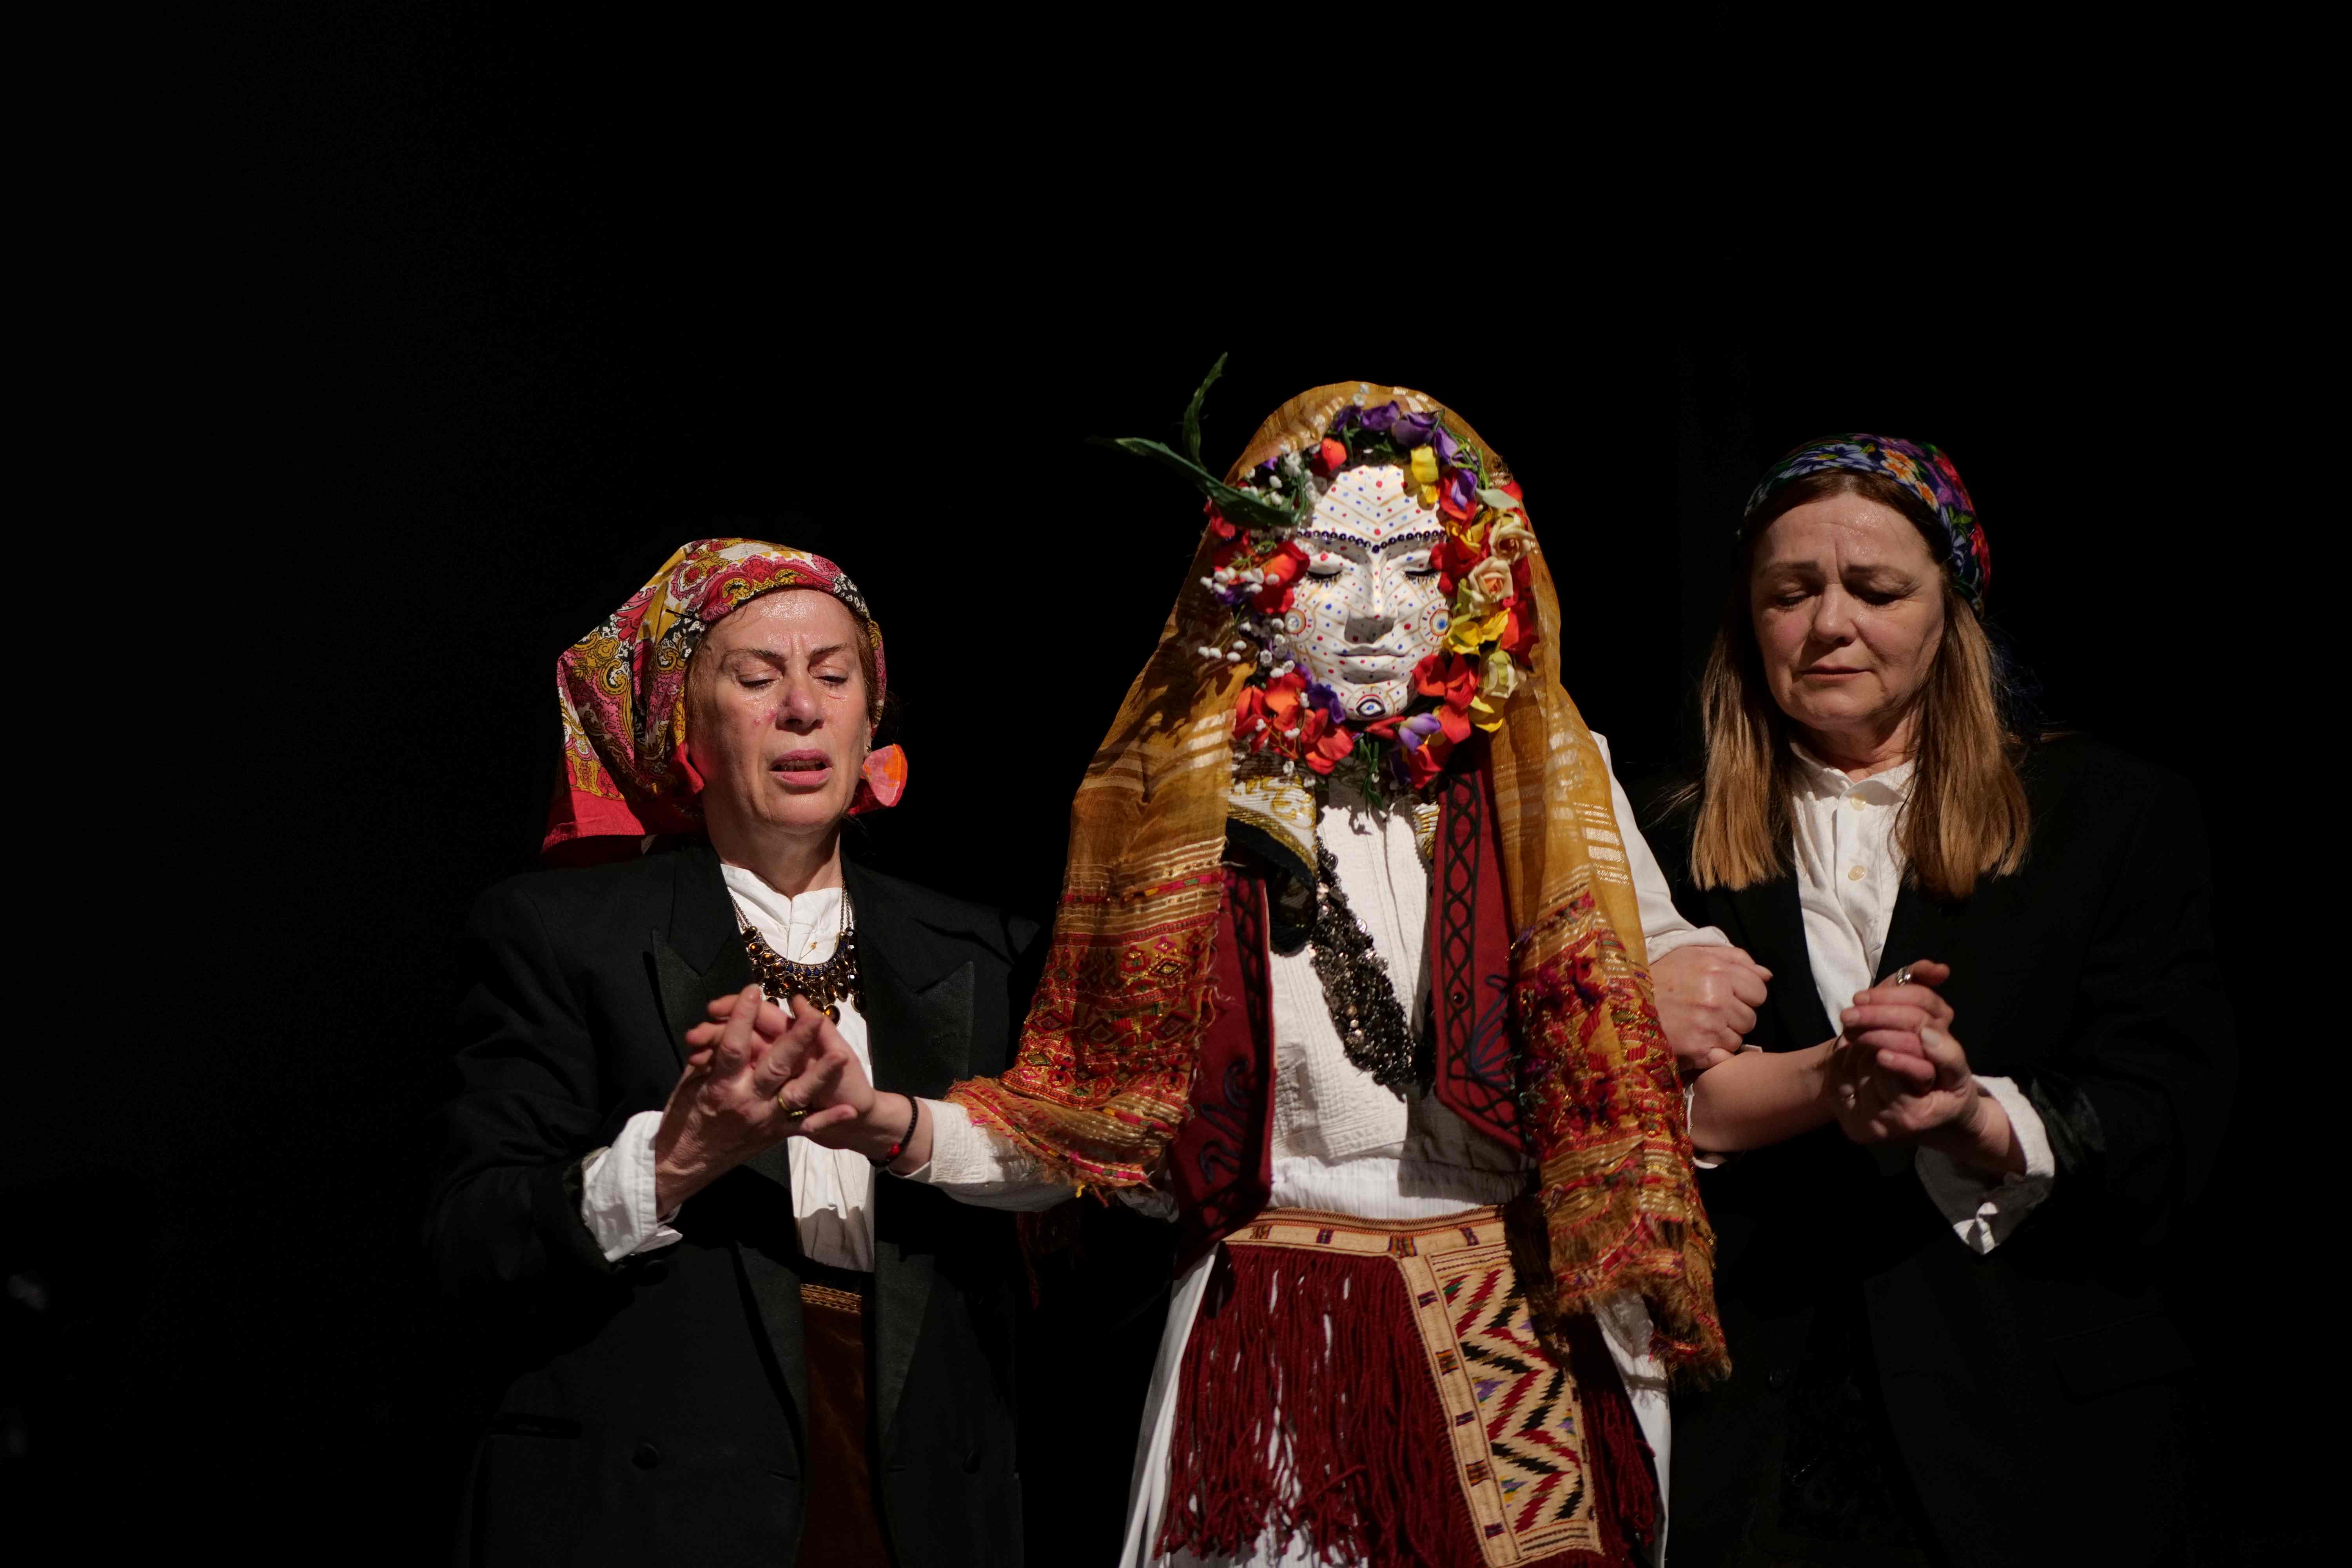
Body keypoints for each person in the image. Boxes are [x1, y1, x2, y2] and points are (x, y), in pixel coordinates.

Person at [763, 378, 1743, 1566]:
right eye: (1328, 570)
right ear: (1258, 587)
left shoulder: (1550, 788)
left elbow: (1646, 1053)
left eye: (1418, 569)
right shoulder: (1179, 816)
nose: (1374, 614)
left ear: (1480, 586)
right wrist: (892, 1122)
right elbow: (1089, 1125)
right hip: (1275, 1350)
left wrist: (1689, 979)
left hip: (1521, 1353)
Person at [1642, 436, 2233, 1565]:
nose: (1830, 625)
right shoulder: (1658, 836)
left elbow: (2169, 1115)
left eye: (1876, 590)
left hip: (2040, 1441)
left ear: (1951, 613)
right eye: (1790, 593)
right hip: (1753, 1450)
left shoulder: (2109, 814)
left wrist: (1977, 1119)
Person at [425, 539, 1039, 1566]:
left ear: (870, 719)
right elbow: (471, 1242)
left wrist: (896, 1127)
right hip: (661, 1499)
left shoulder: (986, 951)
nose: (802, 708)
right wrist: (675, 1159)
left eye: (833, 676)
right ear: (686, 724)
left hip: (919, 1491)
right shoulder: (565, 936)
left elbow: (1092, 1181)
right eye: (756, 679)